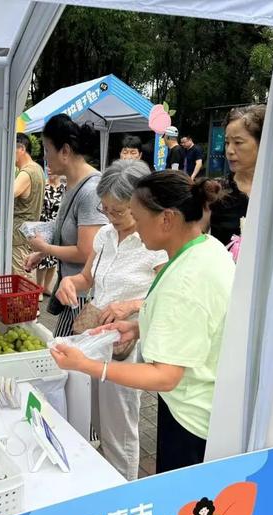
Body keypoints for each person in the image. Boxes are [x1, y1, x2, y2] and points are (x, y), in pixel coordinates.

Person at [50, 170, 235, 473]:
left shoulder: (185, 279)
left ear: (166, 219)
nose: (133, 225)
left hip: (191, 414)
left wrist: (87, 365)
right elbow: (184, 320)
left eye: (135, 215)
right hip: (194, 403)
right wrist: (136, 326)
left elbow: (165, 376)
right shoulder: (204, 249)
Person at [55, 159, 167, 480]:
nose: (112, 217)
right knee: (95, 417)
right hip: (95, 337)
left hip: (127, 343)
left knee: (120, 425)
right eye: (106, 210)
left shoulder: (155, 244)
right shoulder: (105, 235)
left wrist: (130, 304)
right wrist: (69, 283)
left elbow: (169, 298)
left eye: (119, 211)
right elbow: (87, 278)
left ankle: (123, 488)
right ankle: (100, 479)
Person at [23, 114, 108, 336]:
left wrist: (45, 249)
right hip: (71, 292)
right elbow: (66, 228)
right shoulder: (71, 184)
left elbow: (86, 252)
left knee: (66, 358)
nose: (45, 156)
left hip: (84, 298)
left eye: (47, 149)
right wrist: (42, 255)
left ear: (65, 151)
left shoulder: (91, 191)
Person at [0, 133, 45, 277]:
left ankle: (26, 300)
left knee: (22, 276)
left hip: (20, 231)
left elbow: (8, 194)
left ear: (22, 149)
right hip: (28, 229)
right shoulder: (37, 168)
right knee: (23, 273)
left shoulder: (27, 172)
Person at [209, 104, 266, 246]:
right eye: (227, 142)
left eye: (238, 142)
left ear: (263, 142)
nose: (229, 150)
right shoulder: (216, 190)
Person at [36, 167, 66, 295]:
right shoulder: (43, 187)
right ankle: (38, 289)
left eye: (52, 169)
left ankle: (46, 287)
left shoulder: (64, 189)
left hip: (57, 226)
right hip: (43, 226)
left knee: (53, 259)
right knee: (42, 260)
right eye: (47, 169)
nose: (49, 171)